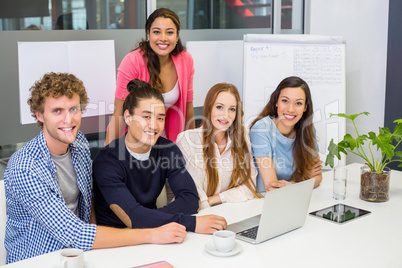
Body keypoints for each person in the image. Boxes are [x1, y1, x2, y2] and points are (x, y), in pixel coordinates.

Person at [3, 73, 188, 264]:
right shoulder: (25, 167)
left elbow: (88, 198)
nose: (68, 120)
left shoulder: (79, 143)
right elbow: (74, 233)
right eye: (57, 111)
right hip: (37, 260)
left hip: (80, 254)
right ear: (40, 114)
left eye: (74, 109)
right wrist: (152, 234)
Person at [93, 79, 227, 234]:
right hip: (116, 242)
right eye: (146, 117)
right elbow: (133, 218)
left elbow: (190, 199)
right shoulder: (107, 161)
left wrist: (148, 218)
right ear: (128, 117)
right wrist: (190, 223)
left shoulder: (167, 149)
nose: (154, 125)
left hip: (156, 234)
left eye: (160, 118)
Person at [105, 8, 195, 144]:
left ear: (177, 35)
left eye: (169, 32)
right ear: (148, 34)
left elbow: (188, 109)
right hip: (135, 142)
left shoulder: (185, 60)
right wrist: (107, 155)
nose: (163, 38)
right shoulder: (132, 62)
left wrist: (191, 148)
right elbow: (118, 113)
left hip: (167, 141)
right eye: (156, 32)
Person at [176, 83, 261, 209]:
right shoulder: (187, 140)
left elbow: (249, 187)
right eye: (220, 107)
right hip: (194, 215)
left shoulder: (241, 136)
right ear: (209, 108)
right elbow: (195, 196)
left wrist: (215, 200)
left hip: (228, 211)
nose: (225, 115)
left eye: (232, 109)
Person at [249, 76, 322, 192]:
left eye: (298, 103)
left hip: (293, 199)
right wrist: (303, 181)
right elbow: (272, 187)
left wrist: (292, 185)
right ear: (276, 101)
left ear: (305, 107)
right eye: (285, 101)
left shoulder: (307, 131)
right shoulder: (261, 130)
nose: (291, 109)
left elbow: (318, 177)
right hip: (262, 202)